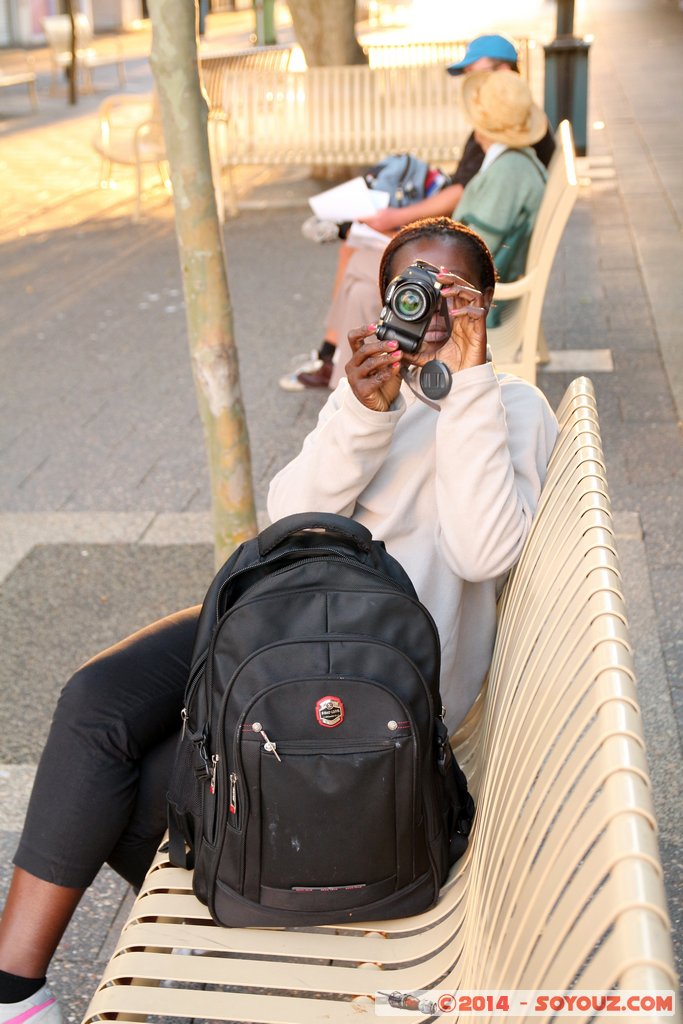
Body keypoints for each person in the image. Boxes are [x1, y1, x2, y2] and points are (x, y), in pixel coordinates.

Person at [0, 218, 558, 1024]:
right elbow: (288, 520)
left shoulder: (510, 405)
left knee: (151, 783)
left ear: (482, 302)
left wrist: (465, 382)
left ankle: (204, 942)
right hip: (284, 626)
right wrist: (364, 416)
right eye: (410, 285)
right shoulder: (374, 385)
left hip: (381, 668)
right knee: (97, 700)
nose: (427, 301)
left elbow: (481, 553)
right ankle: (16, 991)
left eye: (450, 289)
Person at [280, 33, 555, 392]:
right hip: (465, 277)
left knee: (362, 271)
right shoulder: (510, 162)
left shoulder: (507, 174)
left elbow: (475, 258)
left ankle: (346, 386)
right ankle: (345, 375)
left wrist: (415, 242)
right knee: (363, 278)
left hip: (469, 297)